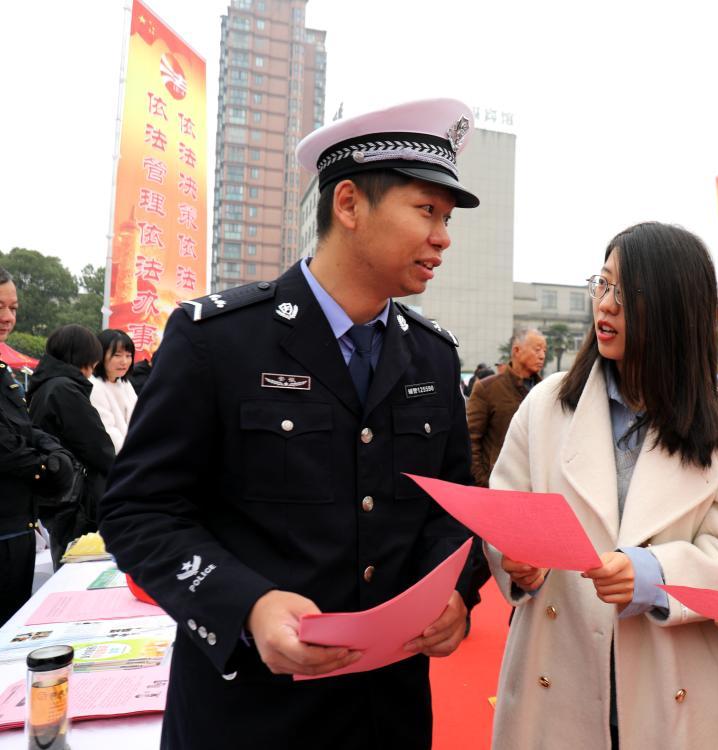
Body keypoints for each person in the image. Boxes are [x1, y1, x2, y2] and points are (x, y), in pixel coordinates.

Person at [99, 99, 488, 749]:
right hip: (249, 714)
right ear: (348, 205)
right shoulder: (218, 341)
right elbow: (139, 511)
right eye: (426, 211)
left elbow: (454, 503)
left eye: (446, 219)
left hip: (387, 712)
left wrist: (456, 595)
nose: (443, 237)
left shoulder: (431, 354)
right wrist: (246, 605)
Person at [486, 222, 718, 750]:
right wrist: (514, 558)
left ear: (674, 306)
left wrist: (650, 573)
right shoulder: (546, 406)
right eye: (603, 283)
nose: (605, 305)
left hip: (671, 684)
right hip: (557, 669)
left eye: (626, 292)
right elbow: (504, 510)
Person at [0, 268, 74, 622]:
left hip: (20, 523)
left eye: (13, 308)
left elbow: (25, 427)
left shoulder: (4, 370)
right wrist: (49, 467)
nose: (7, 317)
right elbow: (6, 446)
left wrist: (56, 453)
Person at [27, 325, 115, 569]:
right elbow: (97, 447)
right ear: (82, 358)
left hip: (56, 493)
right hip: (75, 499)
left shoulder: (45, 386)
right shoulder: (64, 390)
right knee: (80, 567)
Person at [466, 327, 547, 486]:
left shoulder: (545, 390)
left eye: (544, 350)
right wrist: (484, 482)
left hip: (534, 484)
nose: (542, 356)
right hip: (497, 484)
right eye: (537, 350)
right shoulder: (487, 388)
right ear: (516, 350)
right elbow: (471, 440)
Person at [89, 329, 137, 454]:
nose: (124, 361)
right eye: (117, 355)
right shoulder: (95, 386)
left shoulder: (124, 383)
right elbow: (109, 431)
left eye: (128, 355)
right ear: (101, 355)